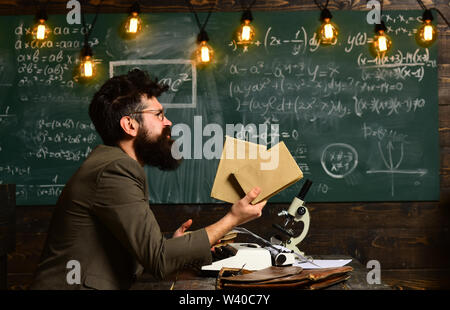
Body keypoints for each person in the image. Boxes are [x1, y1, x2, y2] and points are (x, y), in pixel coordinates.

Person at [29, 69, 266, 290]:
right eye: (159, 114)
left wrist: (172, 245)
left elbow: (147, 253)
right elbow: (159, 258)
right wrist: (234, 218)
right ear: (130, 125)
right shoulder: (116, 169)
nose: (168, 122)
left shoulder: (112, 164)